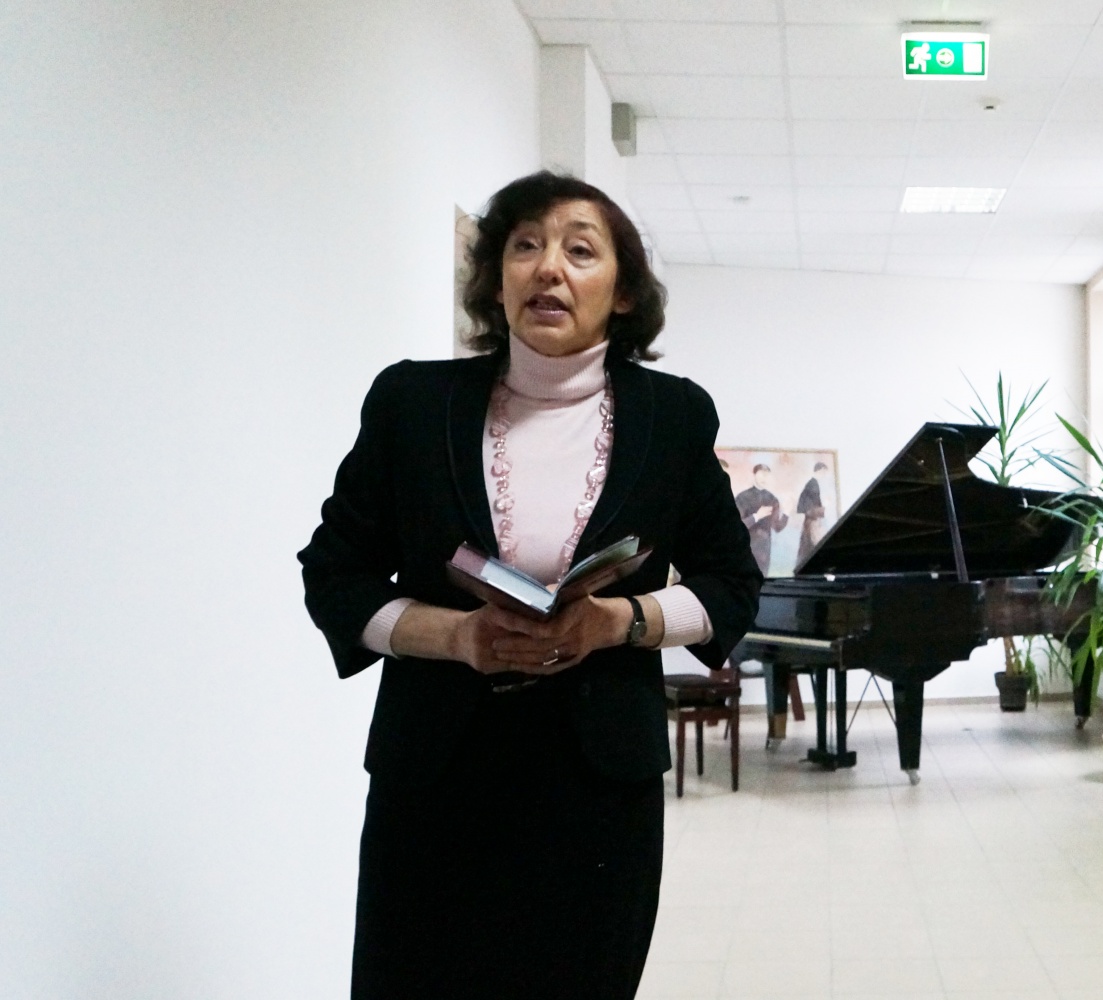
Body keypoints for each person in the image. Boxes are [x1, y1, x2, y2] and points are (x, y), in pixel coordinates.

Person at [297, 171, 760, 1000]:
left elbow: (730, 584)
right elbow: (335, 574)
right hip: (434, 775)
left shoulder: (674, 417)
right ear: (496, 278)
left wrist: (617, 621)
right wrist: (456, 637)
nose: (549, 267)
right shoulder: (412, 403)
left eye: (580, 250)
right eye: (525, 246)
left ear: (623, 292)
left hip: (598, 782)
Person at [733, 463, 787, 575]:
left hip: (764, 550)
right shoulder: (742, 497)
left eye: (767, 475)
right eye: (761, 474)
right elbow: (736, 526)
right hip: (746, 548)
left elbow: (777, 527)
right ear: (754, 475)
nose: (764, 478)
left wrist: (786, 513)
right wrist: (757, 516)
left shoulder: (772, 499)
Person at [795, 461, 829, 566]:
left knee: (807, 548)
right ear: (820, 470)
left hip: (811, 521)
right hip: (812, 522)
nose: (824, 475)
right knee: (812, 546)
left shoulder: (812, 484)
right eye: (824, 472)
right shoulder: (813, 485)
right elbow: (810, 508)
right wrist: (824, 507)